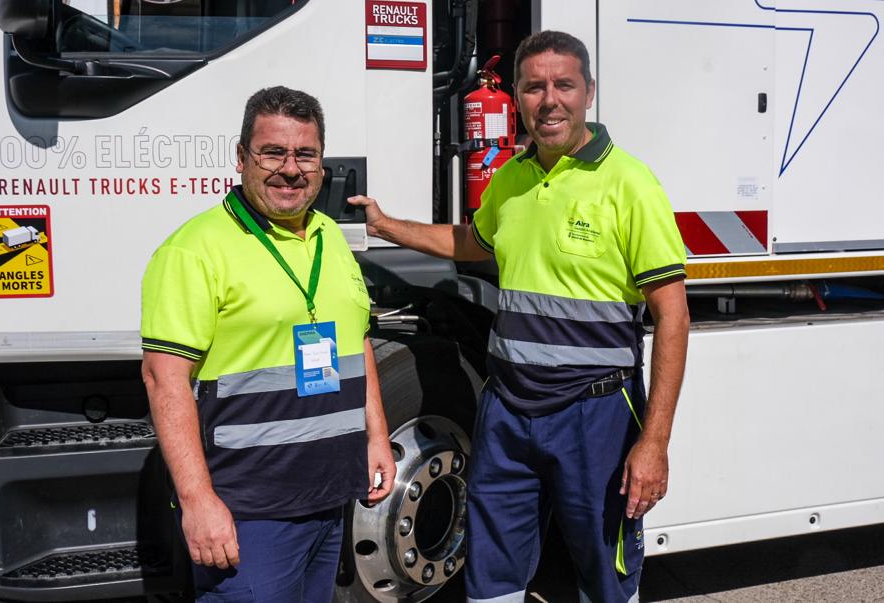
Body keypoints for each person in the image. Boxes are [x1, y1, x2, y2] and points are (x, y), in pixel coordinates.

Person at [349, 30, 689, 603]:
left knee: (606, 576)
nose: (549, 100)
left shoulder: (630, 183)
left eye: (564, 85)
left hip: (595, 412)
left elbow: (673, 320)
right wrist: (387, 226)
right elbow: (471, 241)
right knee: (492, 574)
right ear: (518, 97)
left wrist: (654, 443)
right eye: (534, 87)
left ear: (589, 93)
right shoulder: (509, 178)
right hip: (507, 410)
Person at [141, 86, 396, 602]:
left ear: (322, 164)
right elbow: (162, 377)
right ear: (241, 158)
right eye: (273, 152)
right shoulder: (194, 250)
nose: (290, 169)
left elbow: (357, 342)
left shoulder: (329, 237)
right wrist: (197, 501)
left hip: (329, 498)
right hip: (248, 512)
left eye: (305, 154)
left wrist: (376, 436)